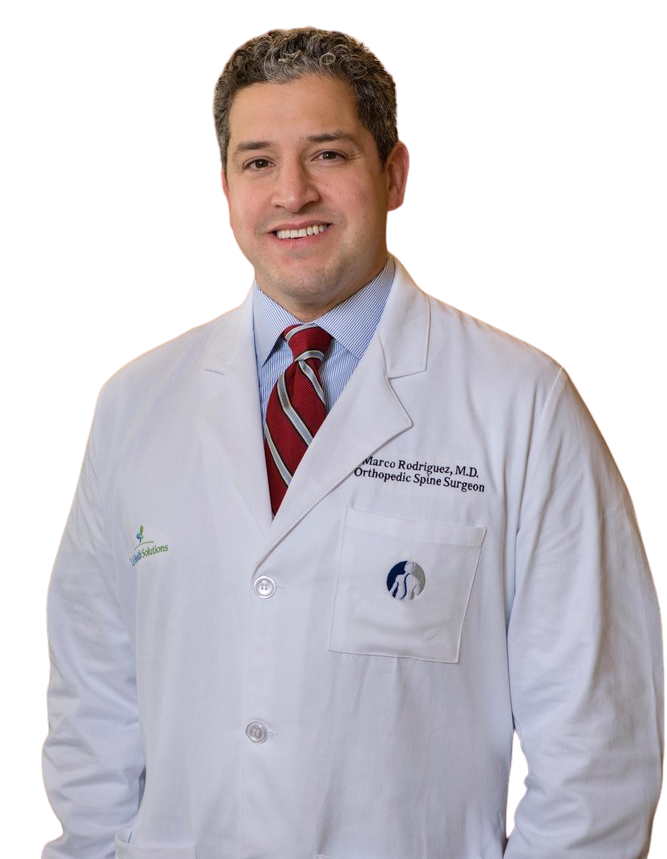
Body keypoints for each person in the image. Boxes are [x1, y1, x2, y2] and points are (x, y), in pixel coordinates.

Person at [42, 26, 663, 859]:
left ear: (394, 174)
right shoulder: (135, 401)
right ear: (224, 187)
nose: (291, 193)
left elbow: (598, 744)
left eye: (328, 154)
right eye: (258, 162)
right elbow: (93, 700)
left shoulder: (521, 401)